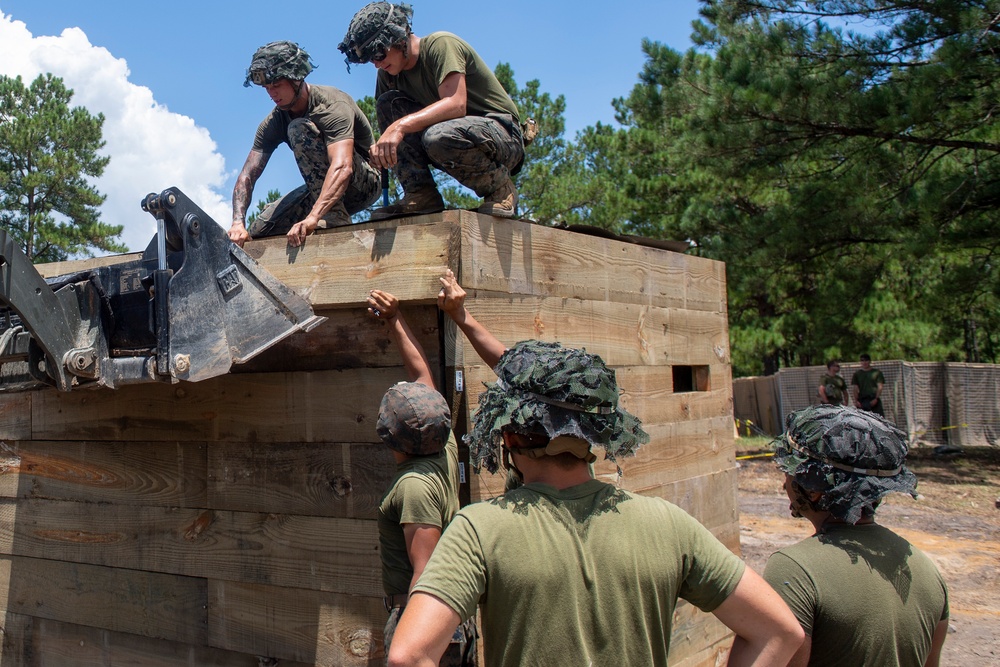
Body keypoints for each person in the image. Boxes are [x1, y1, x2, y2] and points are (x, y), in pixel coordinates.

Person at [385, 302, 804, 665]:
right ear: (597, 433)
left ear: (508, 435)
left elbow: (408, 655)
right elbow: (780, 632)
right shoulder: (668, 524)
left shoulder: (478, 530)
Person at [763, 404, 949, 667]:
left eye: (790, 469)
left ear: (814, 489)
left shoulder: (794, 572)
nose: (784, 481)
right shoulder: (926, 570)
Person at [367, 288, 477, 666]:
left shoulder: (414, 486)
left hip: (422, 621)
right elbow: (423, 378)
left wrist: (415, 647)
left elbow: (425, 571)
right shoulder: (441, 446)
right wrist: (395, 317)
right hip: (444, 616)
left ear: (388, 435)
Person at [338, 2, 524, 221]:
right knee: (388, 104)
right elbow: (392, 129)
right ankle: (420, 194)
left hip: (504, 137)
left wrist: (400, 126)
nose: (377, 64)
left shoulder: (441, 45)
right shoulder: (388, 75)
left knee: (436, 135)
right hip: (448, 138)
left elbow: (456, 103)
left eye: (379, 54)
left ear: (398, 38)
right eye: (370, 59)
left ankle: (501, 188)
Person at [229, 41, 380, 248]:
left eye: (277, 85)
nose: (272, 94)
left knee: (299, 129)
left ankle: (335, 218)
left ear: (296, 78)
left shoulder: (331, 105)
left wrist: (314, 217)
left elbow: (343, 167)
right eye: (267, 88)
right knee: (261, 230)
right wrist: (238, 222)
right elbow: (248, 174)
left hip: (363, 182)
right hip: (324, 191)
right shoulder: (274, 120)